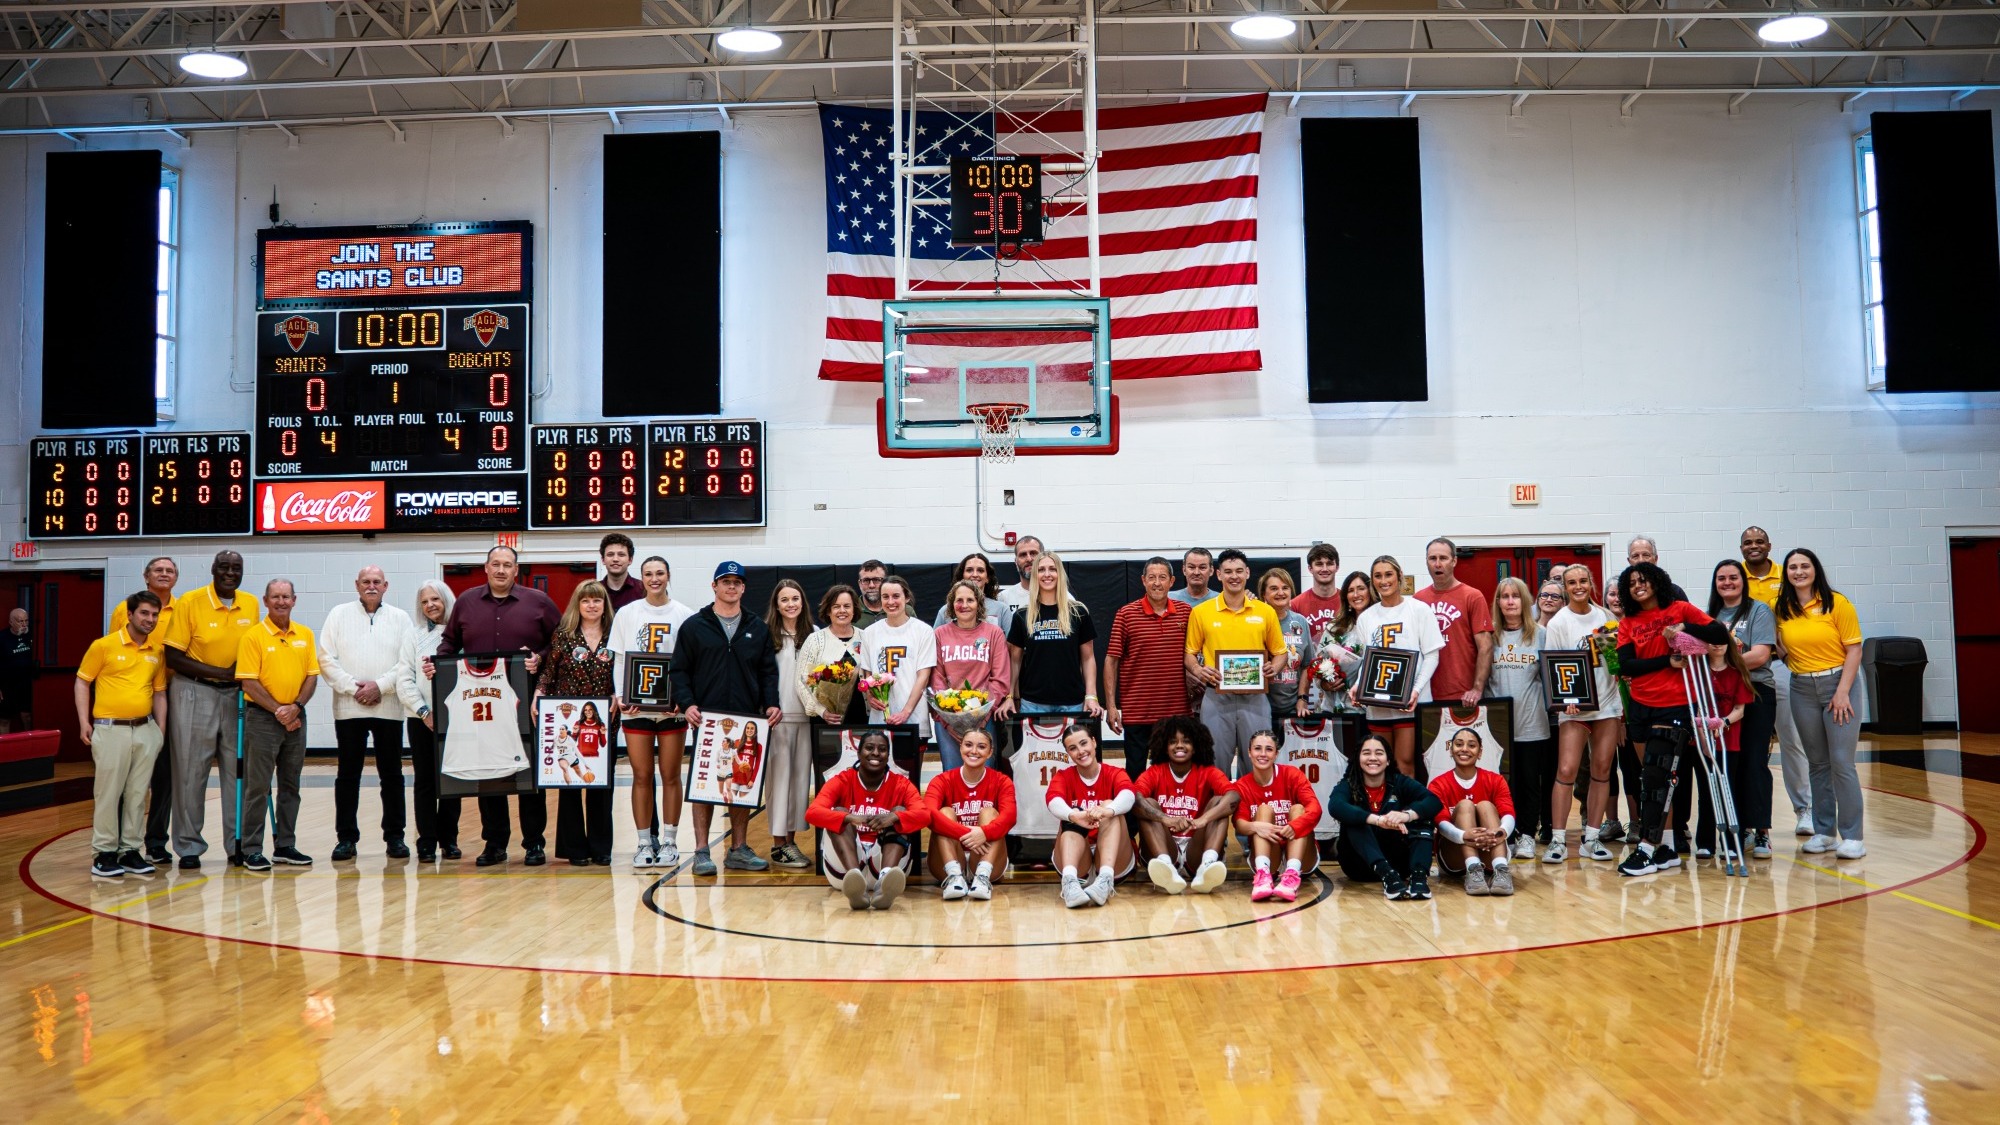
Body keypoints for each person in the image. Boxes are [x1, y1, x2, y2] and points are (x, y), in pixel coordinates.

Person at [433, 545, 561, 868]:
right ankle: (495, 843)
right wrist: (437, 664)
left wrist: (539, 657)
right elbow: (449, 643)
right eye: (496, 564)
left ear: (516, 570)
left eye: (508, 565)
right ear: (486, 568)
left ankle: (534, 843)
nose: (501, 570)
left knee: (528, 771)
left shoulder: (538, 602)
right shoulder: (466, 602)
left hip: (524, 700)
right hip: (480, 702)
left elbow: (559, 643)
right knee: (489, 772)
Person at [1610, 562, 1735, 878]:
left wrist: (1684, 629)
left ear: (1656, 582)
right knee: (1650, 780)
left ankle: (1648, 849)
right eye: (1633, 582)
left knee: (1656, 778)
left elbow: (1719, 633)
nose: (1639, 586)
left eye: (1644, 580)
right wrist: (1666, 660)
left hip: (1675, 705)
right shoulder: (1628, 622)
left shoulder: (1680, 609)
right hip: (1640, 704)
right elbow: (1627, 666)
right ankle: (1665, 848)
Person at [669, 561, 783, 875]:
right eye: (725, 582)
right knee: (704, 785)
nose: (731, 587)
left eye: (737, 582)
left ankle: (738, 849)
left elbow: (768, 672)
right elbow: (679, 671)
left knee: (742, 782)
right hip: (708, 721)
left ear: (744, 588)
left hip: (747, 719)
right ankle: (702, 851)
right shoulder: (695, 625)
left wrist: (771, 704)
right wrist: (688, 703)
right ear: (714, 586)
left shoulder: (756, 627)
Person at [162, 550, 260, 869]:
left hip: (236, 696)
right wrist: (220, 673)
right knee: (191, 771)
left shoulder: (251, 603)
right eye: (224, 567)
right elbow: (173, 657)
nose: (230, 573)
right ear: (213, 570)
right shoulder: (190, 602)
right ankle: (189, 846)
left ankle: (238, 845)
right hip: (194, 690)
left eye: (237, 568)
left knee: (237, 772)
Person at [1774, 548, 1867, 859]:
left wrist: (1842, 691)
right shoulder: (1782, 607)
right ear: (1785, 573)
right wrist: (1787, 657)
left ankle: (1852, 836)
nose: (1799, 572)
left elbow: (1854, 650)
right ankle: (1825, 832)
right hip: (1801, 687)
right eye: (1792, 567)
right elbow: (1780, 644)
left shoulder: (1836, 603)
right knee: (1817, 763)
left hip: (1839, 684)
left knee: (1841, 761)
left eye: (1805, 566)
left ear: (1815, 569)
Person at [317, 565, 413, 861]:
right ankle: (346, 839)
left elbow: (406, 662)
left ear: (386, 586)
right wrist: (354, 688)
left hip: (389, 708)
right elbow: (325, 659)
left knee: (392, 776)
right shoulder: (337, 614)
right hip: (349, 709)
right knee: (348, 775)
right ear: (357, 585)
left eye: (377, 582)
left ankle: (395, 837)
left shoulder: (401, 618)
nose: (371, 586)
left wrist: (380, 686)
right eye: (366, 582)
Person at [609, 556, 696, 869]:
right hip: (636, 708)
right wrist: (621, 695)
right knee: (641, 775)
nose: (654, 578)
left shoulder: (685, 614)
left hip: (671, 709)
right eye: (648, 574)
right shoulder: (627, 613)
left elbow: (689, 663)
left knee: (671, 775)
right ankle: (645, 842)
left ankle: (671, 842)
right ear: (641, 578)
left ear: (668, 576)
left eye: (660, 573)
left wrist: (683, 698)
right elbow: (620, 659)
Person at [75, 591, 168, 879]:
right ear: (129, 615)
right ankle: (104, 853)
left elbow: (159, 692)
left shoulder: (156, 651)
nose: (150, 619)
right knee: (108, 793)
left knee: (138, 794)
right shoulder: (103, 646)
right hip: (110, 728)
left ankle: (130, 851)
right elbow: (82, 682)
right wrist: (84, 722)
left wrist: (160, 731)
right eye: (144, 613)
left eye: (154, 614)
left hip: (145, 730)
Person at [1538, 564, 1624, 865]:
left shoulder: (1604, 617)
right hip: (1574, 708)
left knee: (1602, 769)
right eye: (1572, 582)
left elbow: (1613, 664)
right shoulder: (1560, 622)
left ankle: (1592, 837)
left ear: (1591, 583)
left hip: (1607, 704)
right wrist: (1565, 700)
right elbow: (1556, 668)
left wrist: (1619, 700)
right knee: (1566, 770)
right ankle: (1559, 840)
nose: (1578, 586)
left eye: (1583, 581)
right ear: (1565, 587)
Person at [236, 579, 320, 873]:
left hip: (296, 718)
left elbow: (312, 676)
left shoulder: (306, 635)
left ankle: (285, 846)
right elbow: (248, 681)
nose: (281, 602)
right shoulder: (253, 637)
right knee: (257, 787)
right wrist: (280, 711)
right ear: (265, 600)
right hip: (262, 718)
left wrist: (295, 707)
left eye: (286, 597)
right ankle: (252, 849)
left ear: (294, 600)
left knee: (290, 785)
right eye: (275, 597)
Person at [1184, 549, 1287, 778]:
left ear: (1247, 573)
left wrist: (1275, 667)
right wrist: (1199, 670)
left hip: (1255, 697)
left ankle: (1252, 813)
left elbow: (1280, 653)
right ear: (1218, 574)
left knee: (1258, 764)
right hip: (1216, 697)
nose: (1234, 576)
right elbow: (1189, 653)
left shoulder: (1265, 611)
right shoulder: (1202, 612)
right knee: (1215, 764)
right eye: (1228, 571)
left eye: (1239, 571)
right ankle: (1218, 814)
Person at [538, 580, 618, 866]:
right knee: (570, 782)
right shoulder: (564, 634)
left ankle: (601, 847)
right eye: (586, 601)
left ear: (604, 604)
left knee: (601, 782)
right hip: (568, 715)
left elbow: (623, 669)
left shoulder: (615, 634)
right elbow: (549, 670)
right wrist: (539, 694)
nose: (592, 605)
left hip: (604, 717)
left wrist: (618, 694)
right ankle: (574, 848)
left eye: (597, 600)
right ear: (578, 604)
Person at [1742, 525, 1813, 838]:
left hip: (1781, 665)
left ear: (1769, 546)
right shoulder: (1734, 576)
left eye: (1759, 541)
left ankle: (1805, 810)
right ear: (1741, 547)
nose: (1754, 546)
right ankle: (1744, 818)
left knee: (1791, 738)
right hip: (1745, 670)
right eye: (1748, 543)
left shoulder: (1787, 576)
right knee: (1744, 745)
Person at [1347, 555, 1444, 777]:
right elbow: (1368, 662)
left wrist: (1416, 690)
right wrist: (1359, 686)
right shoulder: (1366, 617)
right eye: (1378, 576)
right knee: (1379, 765)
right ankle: (1385, 810)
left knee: (1405, 763)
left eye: (1388, 574)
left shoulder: (1419, 610)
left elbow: (1432, 656)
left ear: (1400, 576)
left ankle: (1405, 811)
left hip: (1409, 702)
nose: (1384, 581)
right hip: (1377, 703)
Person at [807, 728, 925, 909]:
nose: (876, 753)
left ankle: (886, 881)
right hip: (846, 866)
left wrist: (893, 816)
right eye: (869, 748)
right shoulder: (842, 780)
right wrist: (849, 818)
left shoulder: (900, 783)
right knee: (838, 812)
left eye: (882, 749)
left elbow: (924, 815)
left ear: (888, 754)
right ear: (859, 752)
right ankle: (856, 886)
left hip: (884, 862)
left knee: (900, 812)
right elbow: (812, 813)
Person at [111, 555, 179, 864]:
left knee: (164, 775)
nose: (164, 574)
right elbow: (113, 651)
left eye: (170, 570)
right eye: (158, 570)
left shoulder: (183, 610)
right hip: (130, 696)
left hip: (169, 697)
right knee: (127, 778)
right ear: (146, 576)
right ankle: (123, 843)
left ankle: (156, 842)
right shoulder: (123, 610)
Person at [1709, 560, 1779, 858]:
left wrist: (1725, 664)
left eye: (1733, 577)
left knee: (1754, 761)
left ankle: (1761, 831)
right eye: (1721, 578)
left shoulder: (1758, 610)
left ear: (1743, 581)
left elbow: (1761, 655)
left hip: (1756, 691)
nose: (1727, 582)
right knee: (1729, 764)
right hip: (1721, 696)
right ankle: (1739, 829)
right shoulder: (1710, 616)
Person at [1104, 557, 1194, 777]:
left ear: (1172, 581)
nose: (1157, 583)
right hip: (1137, 712)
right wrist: (1111, 706)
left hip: (1176, 712)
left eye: (1162, 577)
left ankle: (1171, 812)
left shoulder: (1186, 612)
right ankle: (1135, 813)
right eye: (1151, 577)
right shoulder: (1126, 614)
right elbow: (1111, 660)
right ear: (1143, 581)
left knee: (1173, 773)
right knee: (1135, 773)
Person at [1327, 733, 1441, 900]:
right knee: (1354, 820)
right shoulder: (1349, 784)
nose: (1373, 758)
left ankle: (1419, 878)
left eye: (1379, 753)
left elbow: (1433, 801)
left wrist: (1406, 816)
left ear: (1388, 760)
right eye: (1366, 753)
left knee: (1422, 816)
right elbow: (1335, 806)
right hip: (1360, 866)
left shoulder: (1399, 781)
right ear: (1358, 759)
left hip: (1399, 864)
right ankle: (1387, 875)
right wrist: (1378, 820)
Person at [1132, 714, 1237, 894]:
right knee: (1147, 804)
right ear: (1165, 747)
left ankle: (1207, 866)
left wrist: (1203, 819)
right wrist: (1165, 819)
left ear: (1196, 747)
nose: (1179, 746)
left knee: (1219, 802)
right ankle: (1165, 868)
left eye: (1186, 741)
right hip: (1164, 845)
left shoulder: (1208, 771)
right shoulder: (1155, 772)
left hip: (1195, 849)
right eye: (1173, 742)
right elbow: (1135, 799)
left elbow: (1234, 796)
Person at [395, 579, 462, 861]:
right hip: (421, 719)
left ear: (446, 600)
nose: (430, 605)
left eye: (435, 599)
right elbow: (404, 678)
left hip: (456, 719)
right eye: (424, 602)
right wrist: (424, 711)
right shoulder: (414, 635)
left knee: (452, 780)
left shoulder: (460, 634)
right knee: (424, 782)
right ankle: (426, 841)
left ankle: (450, 840)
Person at [1488, 577, 1551, 862]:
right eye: (1504, 596)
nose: (1510, 601)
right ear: (1498, 602)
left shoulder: (1540, 634)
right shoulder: (1489, 636)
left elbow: (1551, 677)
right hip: (1498, 726)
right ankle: (1507, 835)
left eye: (1515, 596)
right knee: (1503, 785)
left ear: (1525, 601)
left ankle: (1527, 835)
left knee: (1529, 783)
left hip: (1532, 723)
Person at [1047, 724, 1136, 908]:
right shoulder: (1063, 776)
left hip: (1115, 860)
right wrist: (1074, 815)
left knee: (1110, 805)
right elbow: (1052, 801)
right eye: (1073, 748)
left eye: (1083, 743)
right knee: (1072, 814)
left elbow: (1129, 796)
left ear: (1094, 742)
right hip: (1079, 858)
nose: (1080, 751)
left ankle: (1105, 880)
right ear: (1068, 753)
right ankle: (1070, 883)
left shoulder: (1114, 773)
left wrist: (1106, 811)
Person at [1007, 552, 1102, 719]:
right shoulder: (1022, 615)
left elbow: (1088, 658)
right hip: (1033, 703)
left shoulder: (1078, 612)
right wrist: (1009, 696)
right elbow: (1014, 661)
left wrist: (1091, 696)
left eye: (1052, 569)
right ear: (1035, 575)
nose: (1047, 574)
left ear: (1060, 573)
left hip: (1072, 702)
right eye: (1041, 569)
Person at [924, 727, 1016, 901]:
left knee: (990, 813)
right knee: (944, 812)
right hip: (947, 858)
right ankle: (954, 877)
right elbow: (927, 813)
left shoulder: (1001, 781)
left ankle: (982, 877)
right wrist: (970, 834)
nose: (974, 751)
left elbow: (1010, 817)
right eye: (968, 745)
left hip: (987, 858)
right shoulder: (942, 780)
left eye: (981, 747)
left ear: (990, 752)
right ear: (960, 748)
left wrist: (985, 833)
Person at [1232, 729, 1323, 903]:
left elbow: (1315, 808)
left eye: (1269, 749)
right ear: (1249, 753)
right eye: (1258, 749)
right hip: (1268, 852)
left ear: (1276, 754)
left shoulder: (1292, 774)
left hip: (1302, 856)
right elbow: (1238, 823)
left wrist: (1296, 826)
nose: (1263, 754)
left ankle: (1292, 875)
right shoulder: (1242, 785)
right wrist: (1256, 826)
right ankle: (1263, 876)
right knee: (1263, 810)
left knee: (1298, 808)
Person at [930, 579, 1010, 770]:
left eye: (970, 600)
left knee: (984, 774)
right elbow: (936, 677)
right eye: (959, 600)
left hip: (983, 718)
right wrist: (948, 716)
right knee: (952, 774)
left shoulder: (994, 633)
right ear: (951, 604)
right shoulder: (940, 634)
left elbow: (1000, 678)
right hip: (947, 719)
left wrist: (981, 715)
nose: (964, 605)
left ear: (979, 604)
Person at [1428, 727, 1517, 896]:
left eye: (1471, 745)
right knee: (1465, 805)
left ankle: (1501, 869)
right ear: (1451, 749)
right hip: (1453, 856)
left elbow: (1508, 813)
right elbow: (1440, 822)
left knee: (1485, 805)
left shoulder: (1495, 780)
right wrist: (1464, 836)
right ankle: (1473, 868)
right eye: (1459, 744)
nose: (1464, 749)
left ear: (1480, 751)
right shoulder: (1438, 784)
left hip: (1490, 848)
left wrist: (1501, 831)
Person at [763, 579, 815, 868]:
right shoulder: (766, 634)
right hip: (777, 719)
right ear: (777, 604)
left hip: (807, 716)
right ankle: (777, 843)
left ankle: (791, 842)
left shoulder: (814, 634)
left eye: (795, 598)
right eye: (785, 599)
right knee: (778, 783)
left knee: (799, 783)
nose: (791, 604)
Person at [1690, 634, 1754, 858]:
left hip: (1729, 741)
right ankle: (1705, 842)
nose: (1716, 644)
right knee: (1707, 791)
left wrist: (1723, 722)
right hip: (1702, 741)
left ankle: (1730, 841)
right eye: (1712, 640)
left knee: (1729, 790)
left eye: (1721, 640)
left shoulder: (1737, 673)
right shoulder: (1697, 673)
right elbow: (1695, 708)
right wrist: (1703, 734)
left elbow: (1740, 709)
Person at [860, 575, 937, 749]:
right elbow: (867, 674)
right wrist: (870, 696)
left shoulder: (923, 631)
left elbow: (923, 677)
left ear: (907, 598)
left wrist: (906, 712)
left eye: (896, 596)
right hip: (880, 719)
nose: (891, 601)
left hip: (913, 718)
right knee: (879, 774)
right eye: (885, 597)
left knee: (911, 775)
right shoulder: (870, 633)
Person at [1415, 537, 1494, 706]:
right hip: (1425, 693)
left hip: (1463, 695)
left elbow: (1485, 646)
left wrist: (1477, 688)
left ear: (1454, 561)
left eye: (1443, 558)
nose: (1437, 564)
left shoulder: (1472, 596)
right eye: (1432, 558)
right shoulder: (1418, 599)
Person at [798, 585, 867, 727]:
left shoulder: (866, 638)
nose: (842, 611)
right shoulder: (815, 639)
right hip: (825, 720)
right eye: (836, 606)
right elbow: (801, 680)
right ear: (828, 610)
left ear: (854, 609)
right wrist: (821, 711)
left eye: (847, 606)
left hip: (861, 718)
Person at [1258, 568, 1318, 728]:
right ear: (1264, 594)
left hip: (1293, 708)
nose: (1280, 593)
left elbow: (1307, 665)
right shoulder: (1256, 622)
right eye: (1273, 588)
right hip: (1259, 707)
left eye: (1285, 588)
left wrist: (1302, 699)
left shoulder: (1300, 622)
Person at [1319, 570, 1376, 716]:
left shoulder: (1381, 625)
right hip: (1336, 709)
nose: (1356, 594)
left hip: (1371, 709)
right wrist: (1325, 683)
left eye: (1361, 588)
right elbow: (1317, 663)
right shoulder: (1334, 627)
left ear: (1371, 591)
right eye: (1350, 590)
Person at [932, 552, 1014, 637]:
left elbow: (1012, 647)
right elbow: (934, 644)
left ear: (987, 578)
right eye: (969, 570)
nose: (975, 575)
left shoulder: (1002, 610)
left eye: (980, 570)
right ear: (962, 576)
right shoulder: (946, 611)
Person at [1288, 543, 1346, 643]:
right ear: (1310, 569)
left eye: (1329, 563)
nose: (1324, 569)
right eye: (1319, 564)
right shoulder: (1295, 605)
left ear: (1337, 567)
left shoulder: (1347, 601)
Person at [0, 607, 31, 733]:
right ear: (11, 622)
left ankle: (30, 749)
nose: (24, 625)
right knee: (4, 720)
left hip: (27, 684)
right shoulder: (2, 638)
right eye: (20, 621)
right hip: (7, 685)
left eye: (26, 621)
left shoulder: (31, 635)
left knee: (27, 716)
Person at [598, 532, 645, 613]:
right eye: (610, 554)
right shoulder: (595, 591)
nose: (615, 559)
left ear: (630, 560)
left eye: (621, 554)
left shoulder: (643, 590)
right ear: (603, 560)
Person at [997, 536, 1043, 612]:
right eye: (1023, 555)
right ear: (1016, 562)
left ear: (1043, 558)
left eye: (1033, 553)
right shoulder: (1003, 598)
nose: (1029, 559)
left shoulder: (1061, 596)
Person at [853, 560, 889, 629]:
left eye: (877, 580)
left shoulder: (902, 610)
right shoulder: (850, 611)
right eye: (866, 580)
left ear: (886, 582)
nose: (871, 585)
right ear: (859, 584)